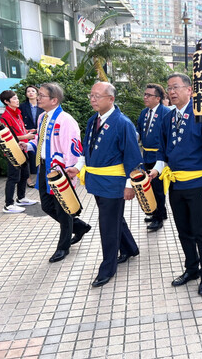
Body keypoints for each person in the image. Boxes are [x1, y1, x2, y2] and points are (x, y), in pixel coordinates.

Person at [149, 73, 202, 297]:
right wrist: (155, 170)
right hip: (175, 183)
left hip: (198, 183)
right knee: (183, 230)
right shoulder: (167, 118)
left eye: (176, 87)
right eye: (169, 88)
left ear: (190, 90)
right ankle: (191, 269)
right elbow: (163, 152)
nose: (171, 92)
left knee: (201, 230)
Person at [66, 82, 141, 287]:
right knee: (114, 218)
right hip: (96, 179)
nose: (93, 99)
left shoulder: (123, 123)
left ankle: (107, 268)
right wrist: (78, 166)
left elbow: (133, 157)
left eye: (97, 96)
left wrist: (129, 184)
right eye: (91, 95)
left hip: (114, 183)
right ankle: (130, 248)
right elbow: (86, 148)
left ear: (111, 99)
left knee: (108, 224)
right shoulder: (93, 120)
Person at [27, 83, 91, 262]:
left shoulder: (66, 120)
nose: (38, 98)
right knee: (47, 206)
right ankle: (79, 226)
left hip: (59, 170)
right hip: (43, 167)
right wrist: (29, 145)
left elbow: (74, 148)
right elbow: (41, 141)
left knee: (63, 209)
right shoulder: (42, 118)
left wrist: (72, 170)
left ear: (54, 100)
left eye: (41, 95)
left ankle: (63, 247)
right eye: (38, 94)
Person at [137, 83, 170, 232]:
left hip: (159, 156)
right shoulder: (144, 113)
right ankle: (158, 213)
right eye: (145, 94)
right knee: (148, 187)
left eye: (148, 95)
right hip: (147, 155)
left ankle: (158, 217)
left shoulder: (165, 113)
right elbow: (139, 132)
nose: (145, 97)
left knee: (158, 188)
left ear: (158, 98)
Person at [0, 90, 37, 213]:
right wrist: (27, 137)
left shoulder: (18, 113)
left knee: (25, 175)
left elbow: (20, 130)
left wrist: (28, 132)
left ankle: (21, 198)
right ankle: (8, 205)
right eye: (14, 99)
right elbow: (9, 136)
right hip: (13, 151)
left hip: (22, 147)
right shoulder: (5, 117)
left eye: (16, 98)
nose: (17, 100)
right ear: (6, 102)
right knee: (13, 177)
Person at [20, 85, 44, 187]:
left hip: (39, 133)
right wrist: (26, 132)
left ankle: (40, 178)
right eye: (28, 91)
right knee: (27, 157)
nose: (30, 93)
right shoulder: (22, 106)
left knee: (39, 155)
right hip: (26, 133)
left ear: (37, 93)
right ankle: (28, 180)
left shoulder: (42, 105)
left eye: (33, 91)